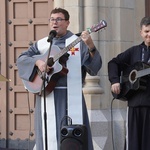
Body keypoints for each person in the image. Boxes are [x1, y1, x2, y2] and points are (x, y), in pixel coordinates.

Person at [17, 7, 102, 150]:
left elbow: (94, 68)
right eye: (52, 19)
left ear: (67, 23)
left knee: (73, 139)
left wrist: (91, 46)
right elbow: (22, 59)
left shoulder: (78, 42)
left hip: (70, 98)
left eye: (59, 19)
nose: (54, 22)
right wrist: (38, 62)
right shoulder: (42, 44)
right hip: (46, 95)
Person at [108, 16, 150, 150]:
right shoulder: (134, 51)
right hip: (134, 106)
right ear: (141, 33)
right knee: (133, 145)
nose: (149, 35)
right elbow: (113, 62)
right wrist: (115, 81)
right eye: (147, 31)